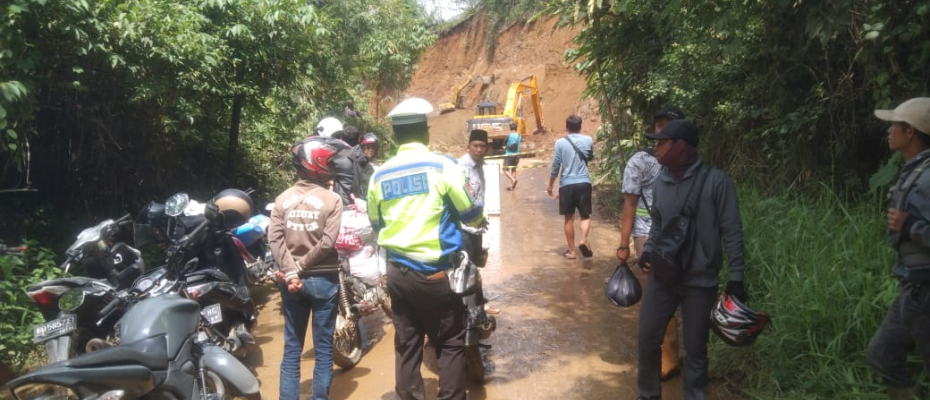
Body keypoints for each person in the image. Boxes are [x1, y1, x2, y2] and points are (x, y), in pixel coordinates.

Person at [367, 98, 487, 400]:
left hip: (397, 273)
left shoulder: (379, 175)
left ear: (395, 137)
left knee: (407, 342)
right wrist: (479, 219)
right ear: (426, 133)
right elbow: (470, 213)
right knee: (449, 341)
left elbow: (376, 222)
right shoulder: (442, 165)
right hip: (436, 274)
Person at [636, 119, 748, 400]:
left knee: (696, 350)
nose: (656, 148)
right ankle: (648, 395)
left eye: (662, 142)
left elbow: (732, 231)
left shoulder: (717, 182)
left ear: (681, 147)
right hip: (664, 277)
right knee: (648, 338)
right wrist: (649, 249)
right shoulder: (660, 181)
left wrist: (736, 278)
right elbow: (658, 224)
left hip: (700, 281)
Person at [268, 137, 347, 400]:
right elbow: (327, 243)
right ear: (318, 164)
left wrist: (291, 272)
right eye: (330, 162)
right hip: (322, 280)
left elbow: (275, 241)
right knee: (323, 351)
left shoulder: (282, 199)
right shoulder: (332, 200)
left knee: (292, 349)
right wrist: (300, 267)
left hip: (291, 283)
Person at [866, 97, 930, 400]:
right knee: (882, 353)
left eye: (894, 125)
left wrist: (910, 228)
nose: (889, 131)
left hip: (926, 291)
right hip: (912, 289)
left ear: (911, 132)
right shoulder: (913, 171)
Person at [616, 105, 685, 380]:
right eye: (659, 125)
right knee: (661, 291)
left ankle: (676, 353)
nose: (663, 129)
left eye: (669, 124)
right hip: (648, 234)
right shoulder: (640, 161)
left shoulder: (687, 161)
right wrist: (624, 245)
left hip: (682, 235)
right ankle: (667, 358)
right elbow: (629, 206)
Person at [458, 129, 497, 314]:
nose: (479, 149)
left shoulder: (480, 165)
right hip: (465, 228)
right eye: (476, 146)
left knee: (474, 265)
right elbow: (465, 198)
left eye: (483, 146)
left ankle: (477, 305)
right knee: (466, 267)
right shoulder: (462, 167)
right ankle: (468, 309)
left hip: (477, 227)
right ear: (468, 146)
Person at [547, 114, 594, 259]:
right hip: (584, 182)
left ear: (566, 127)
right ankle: (583, 240)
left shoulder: (560, 143)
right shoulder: (588, 140)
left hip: (567, 184)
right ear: (580, 126)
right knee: (585, 216)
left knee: (569, 218)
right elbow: (590, 157)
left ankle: (572, 251)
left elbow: (556, 165)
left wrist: (551, 185)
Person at [503, 122, 522, 190]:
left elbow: (503, 145)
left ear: (510, 128)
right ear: (516, 128)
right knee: (513, 169)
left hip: (509, 155)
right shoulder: (519, 136)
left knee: (505, 169)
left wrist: (504, 147)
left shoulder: (508, 136)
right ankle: (512, 186)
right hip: (517, 155)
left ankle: (513, 180)